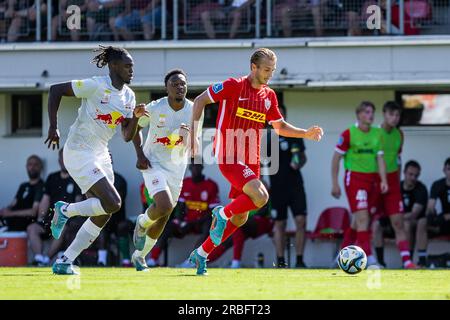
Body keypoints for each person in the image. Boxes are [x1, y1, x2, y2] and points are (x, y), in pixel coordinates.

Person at [188, 47, 323, 275]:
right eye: (267, 69)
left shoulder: (269, 96)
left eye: (273, 70)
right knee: (261, 197)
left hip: (251, 161)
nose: (270, 74)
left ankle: (201, 253)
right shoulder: (233, 86)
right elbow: (200, 100)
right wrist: (193, 137)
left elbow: (279, 127)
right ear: (253, 67)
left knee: (240, 218)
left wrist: (305, 133)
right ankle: (221, 213)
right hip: (229, 155)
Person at [45, 45, 147, 275]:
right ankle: (66, 210)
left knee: (104, 212)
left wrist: (137, 120)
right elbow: (55, 90)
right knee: (113, 203)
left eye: (132, 66)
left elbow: (126, 135)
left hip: (100, 153)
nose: (132, 70)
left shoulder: (129, 96)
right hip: (79, 151)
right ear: (113, 66)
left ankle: (65, 260)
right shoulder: (95, 85)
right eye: (127, 65)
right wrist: (54, 126)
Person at [131, 69, 200, 271]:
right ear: (167, 88)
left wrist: (187, 137)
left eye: (183, 84)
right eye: (175, 84)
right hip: (153, 164)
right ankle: (142, 222)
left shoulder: (195, 109)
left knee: (165, 214)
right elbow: (135, 128)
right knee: (163, 205)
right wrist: (140, 155)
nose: (180, 87)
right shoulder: (155, 107)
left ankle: (140, 256)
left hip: (176, 169)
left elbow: (194, 146)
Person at [331, 101, 387, 267]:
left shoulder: (377, 133)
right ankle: (369, 257)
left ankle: (340, 256)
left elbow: (380, 158)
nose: (370, 115)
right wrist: (334, 183)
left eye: (372, 112)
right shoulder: (349, 134)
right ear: (359, 114)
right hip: (354, 179)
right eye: (367, 112)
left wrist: (383, 180)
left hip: (372, 181)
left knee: (358, 221)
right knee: (363, 218)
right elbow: (336, 159)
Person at [147, 160, 219, 267]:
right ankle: (153, 259)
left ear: (202, 167)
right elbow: (180, 206)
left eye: (198, 166)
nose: (195, 169)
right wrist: (180, 221)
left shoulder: (211, 185)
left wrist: (195, 222)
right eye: (193, 166)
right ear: (190, 168)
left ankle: (192, 261)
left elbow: (213, 211)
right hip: (186, 223)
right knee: (166, 226)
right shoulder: (185, 183)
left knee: (209, 227)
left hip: (201, 222)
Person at [268, 104, 308, 268]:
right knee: (280, 223)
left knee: (301, 221)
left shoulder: (294, 134)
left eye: (281, 115)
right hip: (277, 187)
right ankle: (281, 261)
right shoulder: (267, 138)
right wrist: (261, 181)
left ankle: (299, 260)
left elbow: (303, 158)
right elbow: (259, 163)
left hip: (296, 186)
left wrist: (298, 163)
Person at [27, 148, 83, 266]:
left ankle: (47, 259)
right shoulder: (52, 177)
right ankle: (39, 258)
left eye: (66, 157)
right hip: (50, 218)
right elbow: (45, 200)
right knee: (32, 228)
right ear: (58, 160)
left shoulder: (77, 177)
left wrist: (69, 216)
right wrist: (40, 218)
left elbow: (79, 202)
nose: (63, 161)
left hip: (67, 219)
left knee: (60, 227)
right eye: (61, 158)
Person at [373, 160, 428, 267]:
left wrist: (395, 217)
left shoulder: (421, 189)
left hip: (407, 224)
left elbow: (413, 214)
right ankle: (380, 262)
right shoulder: (396, 187)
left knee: (406, 224)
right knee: (377, 224)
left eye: (416, 175)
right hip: (395, 222)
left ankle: (407, 262)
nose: (413, 178)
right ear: (404, 172)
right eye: (410, 174)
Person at [207, 199, 273, 268]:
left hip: (262, 221)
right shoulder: (242, 194)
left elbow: (264, 210)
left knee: (237, 226)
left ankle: (236, 262)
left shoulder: (262, 192)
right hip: (246, 224)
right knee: (228, 239)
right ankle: (201, 261)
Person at [415, 157, 450, 267]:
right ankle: (422, 260)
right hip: (444, 220)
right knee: (422, 222)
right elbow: (431, 205)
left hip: (446, 218)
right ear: (444, 169)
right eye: (449, 169)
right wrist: (431, 213)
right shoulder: (438, 184)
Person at [96, 166, 133, 267]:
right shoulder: (94, 179)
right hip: (102, 218)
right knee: (100, 225)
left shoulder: (120, 180)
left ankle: (126, 260)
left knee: (123, 226)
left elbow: (116, 203)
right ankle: (101, 261)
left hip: (117, 219)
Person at [0, 155, 44, 232]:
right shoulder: (23, 186)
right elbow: (13, 204)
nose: (32, 167)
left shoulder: (41, 186)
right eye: (30, 164)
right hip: (13, 217)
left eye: (35, 164)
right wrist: (5, 210)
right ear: (26, 167)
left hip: (25, 221)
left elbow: (33, 212)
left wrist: (10, 213)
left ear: (41, 167)